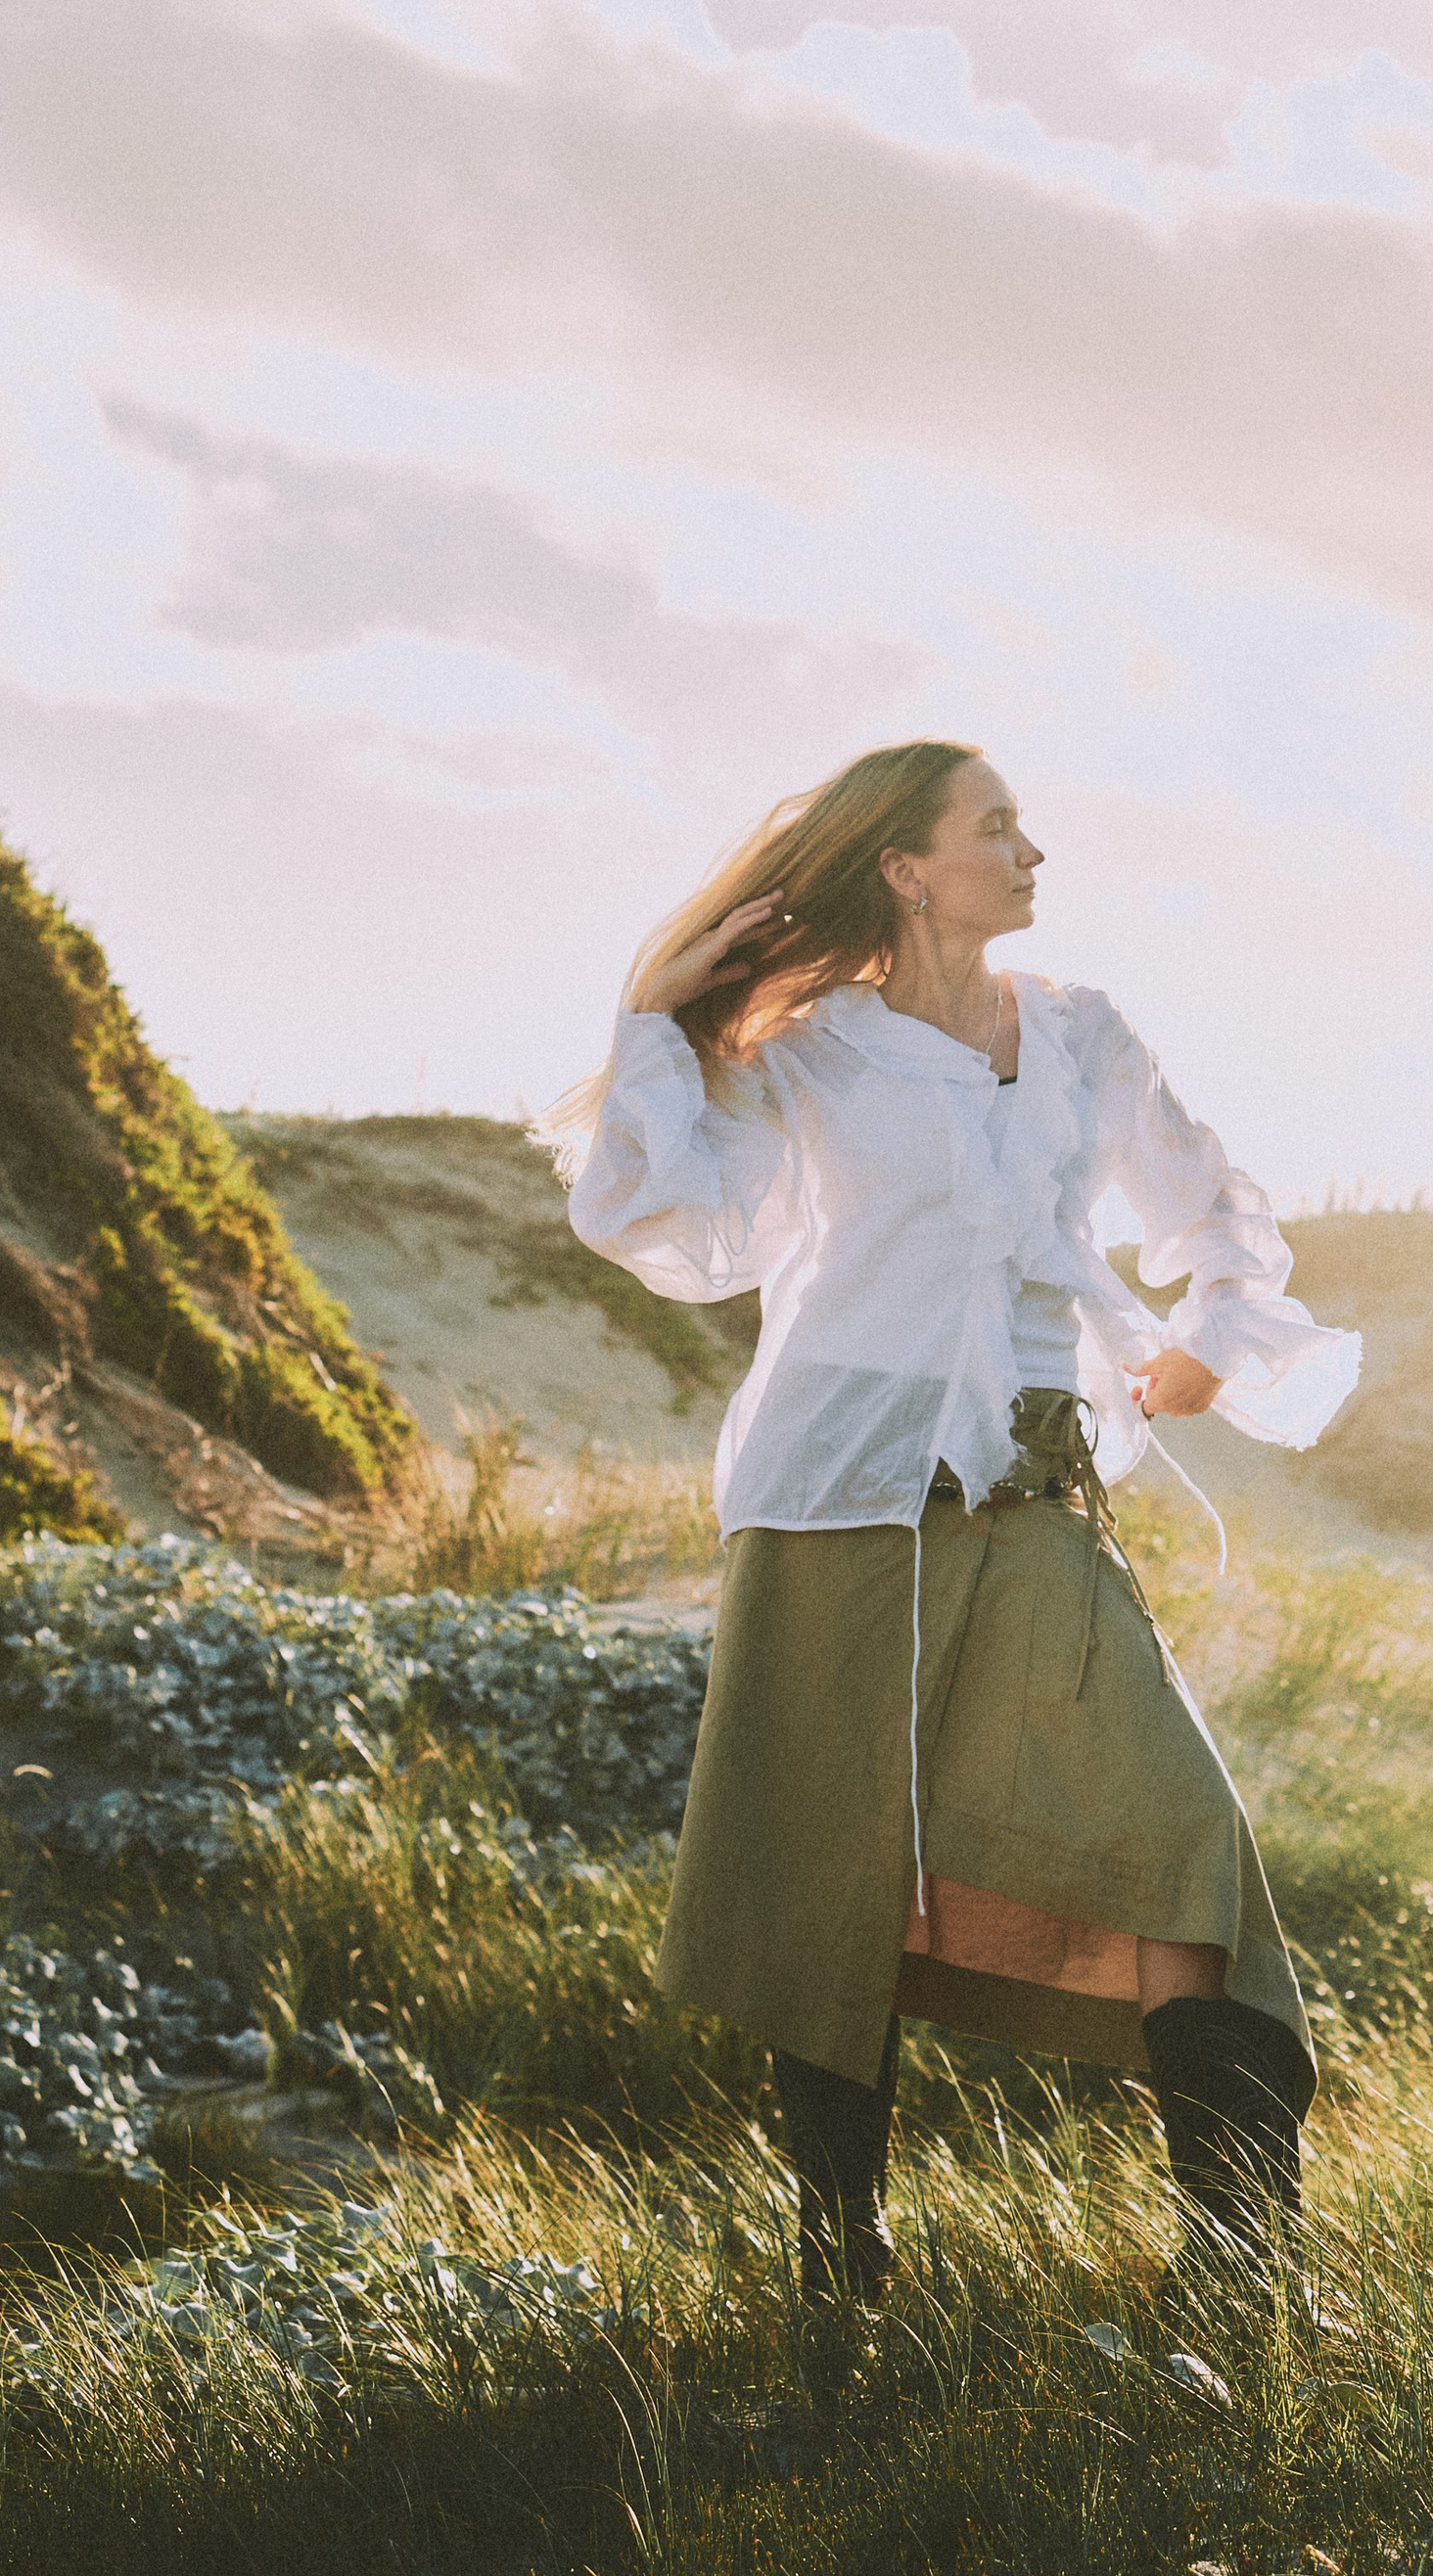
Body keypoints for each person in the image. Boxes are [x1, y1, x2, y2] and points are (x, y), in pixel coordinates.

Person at [538, 738, 1360, 2314]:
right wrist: (656, 1008)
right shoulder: (813, 1050)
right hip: (841, 1495)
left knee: (1189, 1852)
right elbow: (681, 1229)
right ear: (910, 869)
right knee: (826, 1895)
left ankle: (1243, 2273)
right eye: (998, 828)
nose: (1034, 849)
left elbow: (1212, 1202)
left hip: (1040, 1500)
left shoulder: (1079, 1038)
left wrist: (1219, 1330)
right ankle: (841, 2278)